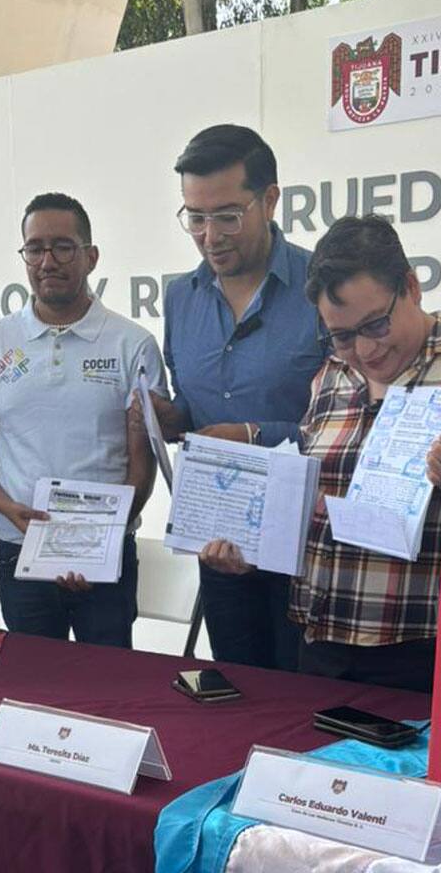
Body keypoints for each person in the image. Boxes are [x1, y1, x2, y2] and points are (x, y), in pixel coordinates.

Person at [204, 216, 441, 692]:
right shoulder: (331, 376)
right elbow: (316, 505)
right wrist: (255, 551)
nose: (364, 349)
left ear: (411, 287)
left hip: (422, 651)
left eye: (375, 324)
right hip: (318, 641)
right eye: (342, 335)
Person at [152, 124, 328, 671]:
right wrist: (166, 418)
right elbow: (193, 407)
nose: (210, 235)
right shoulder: (181, 297)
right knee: (236, 696)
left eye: (227, 215)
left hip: (310, 547)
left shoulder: (321, 286)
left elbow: (349, 425)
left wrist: (254, 435)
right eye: (195, 217)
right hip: (221, 542)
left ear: (270, 199)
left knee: (305, 711)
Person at [0, 192, 164, 648]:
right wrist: (9, 510)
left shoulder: (133, 344)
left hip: (105, 556)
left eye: (63, 246)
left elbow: (141, 465)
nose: (47, 260)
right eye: (35, 248)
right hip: (19, 551)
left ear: (90, 257)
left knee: (109, 695)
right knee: (35, 691)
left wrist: (98, 545)